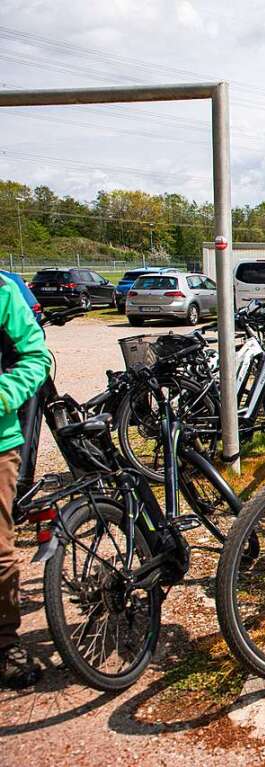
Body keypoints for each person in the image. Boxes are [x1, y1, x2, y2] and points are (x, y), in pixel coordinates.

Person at [0, 273, 51, 689]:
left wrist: (2, 395)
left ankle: (3, 644)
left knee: (0, 551)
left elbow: (35, 358)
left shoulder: (2, 291)